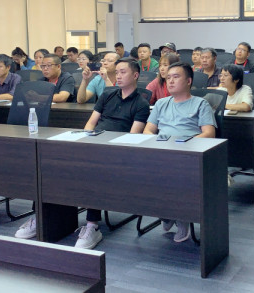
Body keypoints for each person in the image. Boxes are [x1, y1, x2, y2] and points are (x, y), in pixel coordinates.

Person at [75, 58, 150, 248]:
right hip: (95, 144)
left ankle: (92, 226)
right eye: (117, 72)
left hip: (118, 153)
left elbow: (132, 137)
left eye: (123, 72)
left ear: (135, 75)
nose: (119, 76)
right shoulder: (107, 95)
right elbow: (91, 123)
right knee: (55, 161)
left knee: (94, 171)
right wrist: (85, 140)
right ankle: (46, 216)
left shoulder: (141, 103)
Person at [144, 62, 216, 242]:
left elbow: (209, 133)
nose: (170, 81)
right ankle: (167, 213)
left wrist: (185, 145)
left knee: (174, 176)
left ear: (189, 81)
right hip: (162, 152)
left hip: (187, 154)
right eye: (168, 78)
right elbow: (148, 130)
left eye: (176, 77)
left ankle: (182, 217)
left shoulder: (200, 104)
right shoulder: (161, 103)